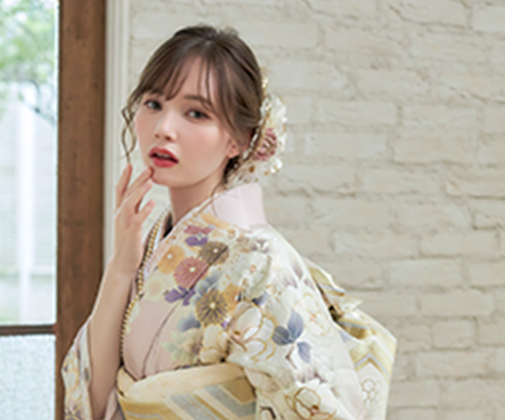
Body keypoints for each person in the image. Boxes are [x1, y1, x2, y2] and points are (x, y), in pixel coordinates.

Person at [62, 25, 396, 420]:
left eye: (196, 113)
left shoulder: (263, 262)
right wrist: (121, 266)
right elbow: (95, 398)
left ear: (240, 140)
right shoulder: (149, 245)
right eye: (153, 103)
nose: (163, 128)